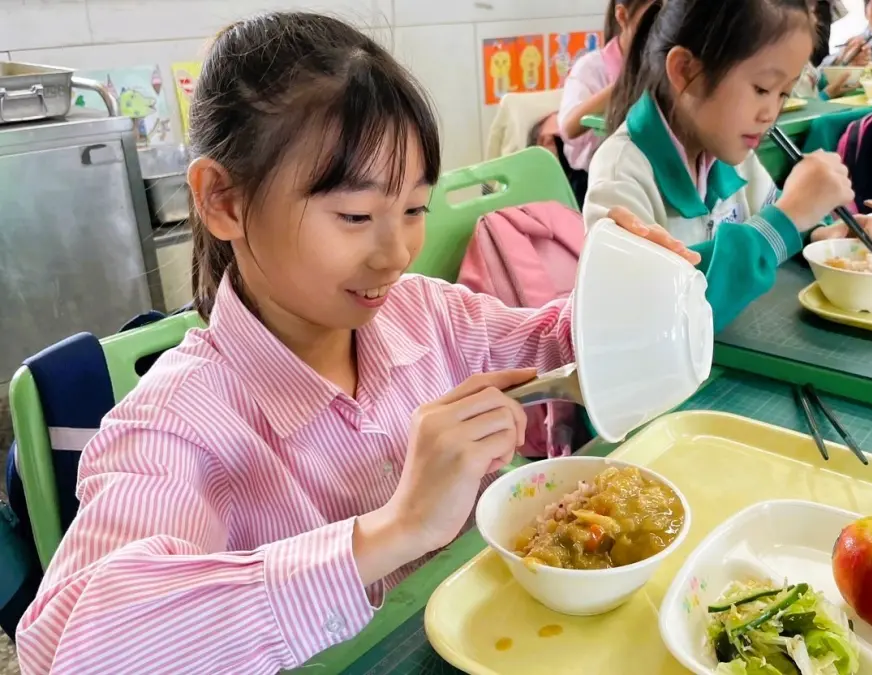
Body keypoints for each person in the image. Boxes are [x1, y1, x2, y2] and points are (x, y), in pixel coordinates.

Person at [12, 12, 703, 673]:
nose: (397, 252)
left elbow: (552, 353)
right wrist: (392, 529)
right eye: (354, 214)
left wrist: (622, 305)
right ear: (222, 200)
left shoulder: (426, 315)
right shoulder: (176, 423)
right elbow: (78, 650)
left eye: (412, 209)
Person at [584, 0, 872, 317]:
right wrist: (789, 217)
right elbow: (652, 313)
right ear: (686, 70)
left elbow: (769, 218)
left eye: (784, 94)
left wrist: (817, 234)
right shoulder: (622, 173)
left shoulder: (730, 153)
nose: (770, 114)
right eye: (762, 88)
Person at [557, 0, 658, 175]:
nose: (658, 30)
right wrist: (628, 82)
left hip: (647, 172)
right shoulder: (591, 67)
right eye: (650, 19)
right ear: (622, 16)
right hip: (594, 177)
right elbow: (568, 128)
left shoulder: (664, 64)